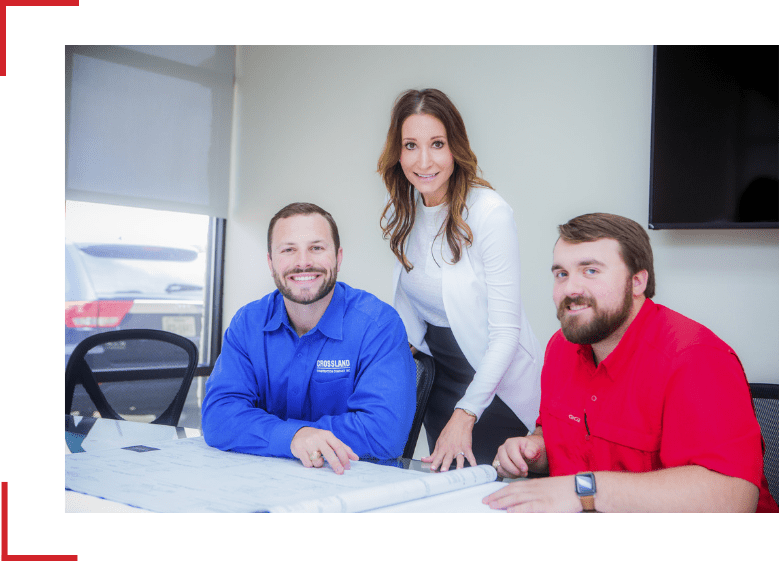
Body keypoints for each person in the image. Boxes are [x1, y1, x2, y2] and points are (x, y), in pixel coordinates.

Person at [484, 213, 779, 512]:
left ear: (637, 281)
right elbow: (558, 435)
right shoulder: (560, 347)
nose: (571, 289)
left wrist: (583, 490)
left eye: (590, 271)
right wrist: (534, 448)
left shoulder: (696, 358)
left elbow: (733, 500)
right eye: (561, 274)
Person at [378, 88, 542, 471]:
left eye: (437, 144)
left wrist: (466, 413)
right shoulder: (406, 215)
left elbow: (506, 333)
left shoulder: (490, 214)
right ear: (397, 153)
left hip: (494, 389)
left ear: (455, 147)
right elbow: (413, 323)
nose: (424, 160)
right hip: (440, 388)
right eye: (411, 145)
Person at [202, 203, 416, 475]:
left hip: (352, 486)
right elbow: (219, 416)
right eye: (288, 250)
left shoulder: (378, 326)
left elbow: (384, 433)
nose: (303, 262)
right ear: (271, 263)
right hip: (264, 482)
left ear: (338, 258)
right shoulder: (248, 324)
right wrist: (294, 437)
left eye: (316, 248)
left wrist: (286, 435)